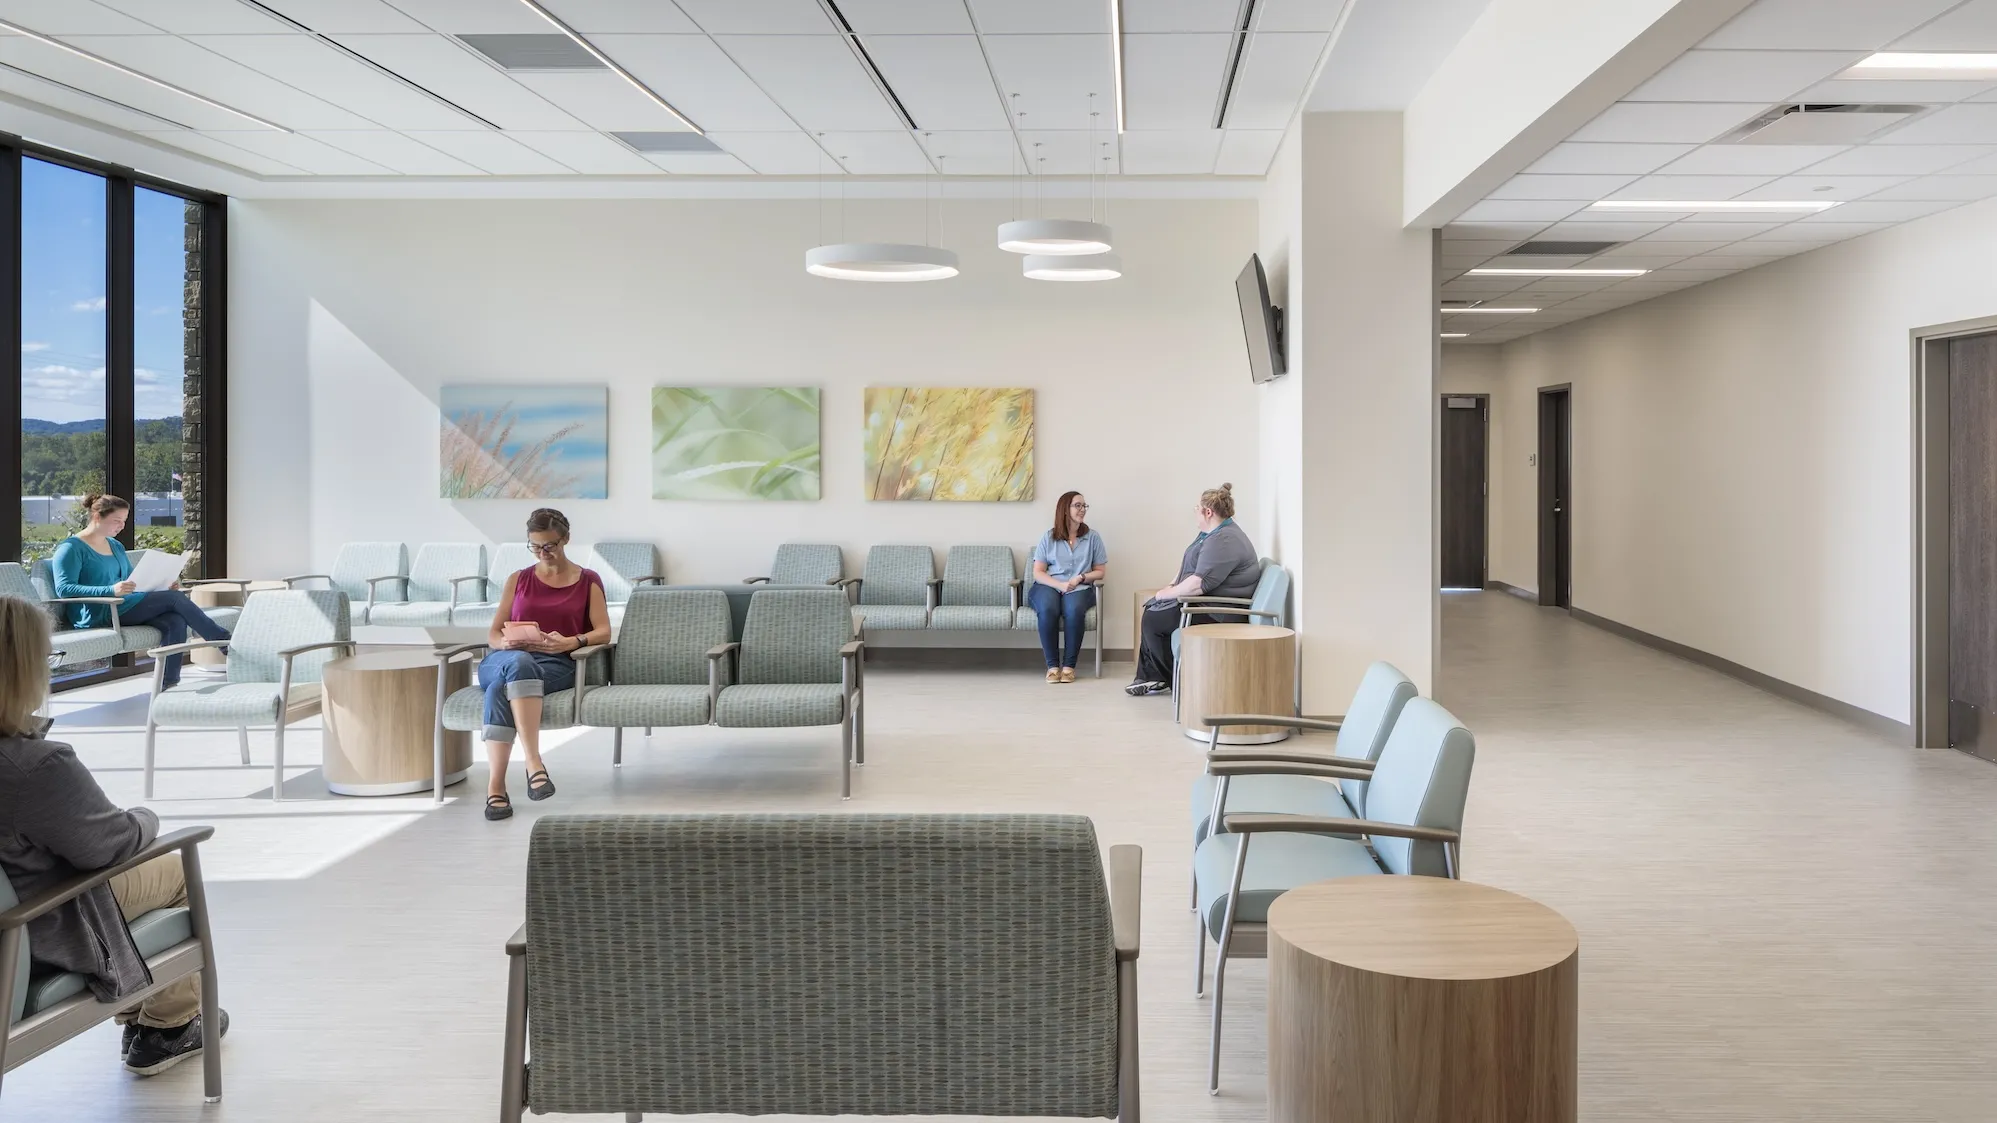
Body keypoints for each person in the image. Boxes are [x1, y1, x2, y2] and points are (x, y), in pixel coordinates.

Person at [0, 596, 228, 1075]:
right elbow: (109, 844)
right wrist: (146, 817)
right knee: (176, 867)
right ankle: (168, 1027)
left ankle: (140, 1013)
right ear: (21, 668)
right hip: (40, 921)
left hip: (17, 909)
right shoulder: (33, 766)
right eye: (46, 656)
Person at [477, 508, 611, 822]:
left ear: (566, 539)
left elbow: (603, 631)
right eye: (535, 547)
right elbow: (494, 633)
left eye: (549, 545)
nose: (542, 553)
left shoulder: (588, 580)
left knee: (500, 690)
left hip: (555, 665)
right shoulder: (518, 579)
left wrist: (570, 642)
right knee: (516, 664)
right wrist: (506, 643)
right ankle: (534, 763)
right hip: (503, 660)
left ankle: (495, 787)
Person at [50, 493, 229, 689]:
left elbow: (131, 581)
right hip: (99, 611)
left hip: (124, 605)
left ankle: (167, 684)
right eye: (116, 521)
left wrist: (163, 585)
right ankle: (223, 641)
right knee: (175, 600)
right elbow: (64, 589)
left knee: (174, 621)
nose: (121, 526)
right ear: (97, 517)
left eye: (124, 521)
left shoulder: (115, 545)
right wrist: (110, 590)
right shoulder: (71, 548)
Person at [1127, 483, 1261, 696]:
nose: (1195, 512)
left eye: (1197, 508)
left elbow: (1199, 583)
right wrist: (1170, 587)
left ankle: (1175, 680)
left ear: (1208, 512)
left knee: (1154, 620)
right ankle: (1152, 676)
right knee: (1154, 609)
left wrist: (1163, 594)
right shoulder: (1213, 533)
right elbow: (1189, 565)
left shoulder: (1223, 539)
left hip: (1220, 612)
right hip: (1209, 603)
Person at [1027, 490, 1108, 683]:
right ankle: (1053, 667)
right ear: (1065, 509)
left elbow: (1100, 571)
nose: (1082, 510)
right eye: (1077, 505)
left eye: (1084, 506)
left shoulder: (1092, 537)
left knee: (1074, 609)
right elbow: (1038, 572)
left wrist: (1080, 577)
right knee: (1047, 608)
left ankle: (1069, 667)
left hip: (1079, 587)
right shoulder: (1049, 537)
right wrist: (1060, 585)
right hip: (1049, 585)